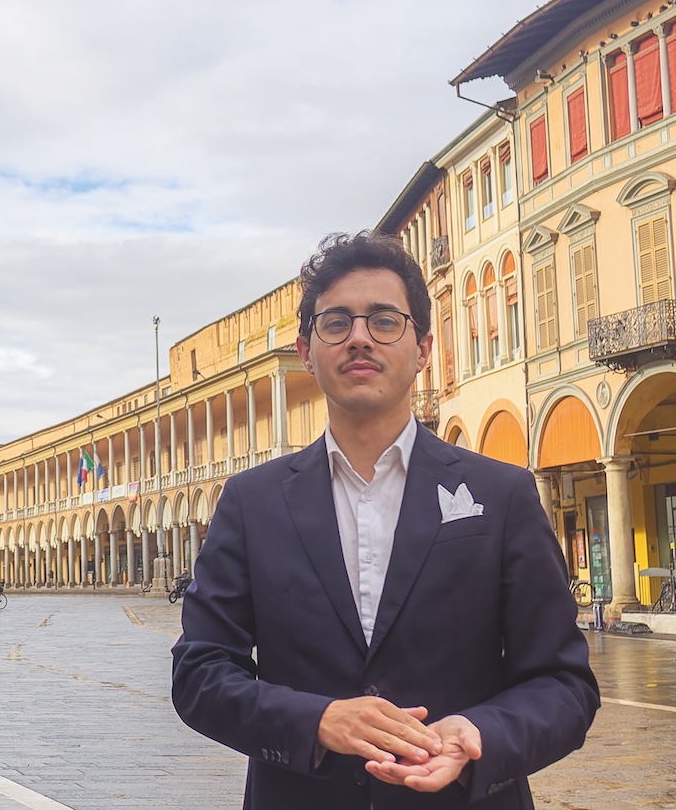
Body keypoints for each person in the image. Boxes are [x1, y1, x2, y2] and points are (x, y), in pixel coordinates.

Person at [172, 232, 598, 808]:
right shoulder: (253, 503)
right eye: (336, 322)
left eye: (384, 321)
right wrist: (316, 720)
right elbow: (199, 672)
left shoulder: (502, 495)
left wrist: (479, 737)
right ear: (306, 351)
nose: (359, 338)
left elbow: (564, 684)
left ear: (423, 349)